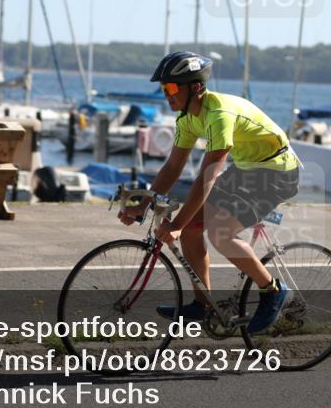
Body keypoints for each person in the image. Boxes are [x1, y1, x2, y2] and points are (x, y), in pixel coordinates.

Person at [118, 51, 301, 333]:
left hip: (276, 171)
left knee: (220, 233)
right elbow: (172, 168)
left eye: (172, 88)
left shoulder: (219, 115)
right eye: (163, 88)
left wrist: (176, 225)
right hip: (247, 169)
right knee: (192, 227)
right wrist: (142, 203)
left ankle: (273, 290)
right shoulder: (187, 118)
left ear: (196, 87)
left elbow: (208, 176)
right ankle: (203, 305)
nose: (167, 94)